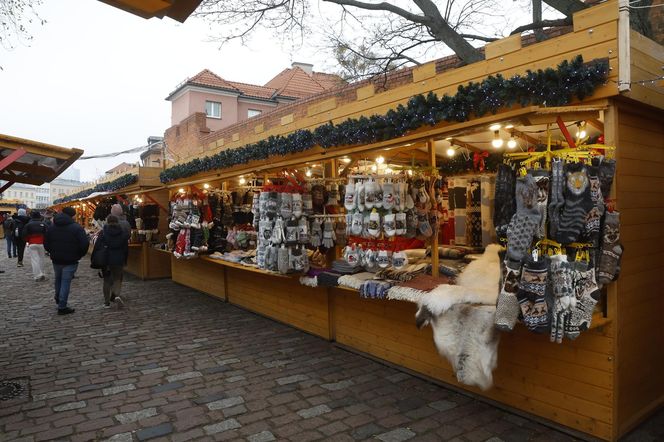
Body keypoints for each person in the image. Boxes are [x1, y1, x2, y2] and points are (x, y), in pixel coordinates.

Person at [44, 207, 90, 315]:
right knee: (65, 282)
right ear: (73, 215)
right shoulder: (77, 228)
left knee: (58, 279)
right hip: (71, 259)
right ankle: (62, 306)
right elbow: (84, 244)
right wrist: (80, 254)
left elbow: (46, 243)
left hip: (56, 258)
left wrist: (52, 251)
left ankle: (58, 296)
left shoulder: (52, 227)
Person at [92, 215, 129, 309]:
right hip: (118, 258)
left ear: (107, 222)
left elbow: (98, 246)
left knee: (107, 280)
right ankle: (116, 295)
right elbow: (125, 248)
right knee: (117, 279)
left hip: (106, 259)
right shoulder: (123, 232)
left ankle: (106, 302)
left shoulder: (103, 232)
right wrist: (125, 259)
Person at [23, 210, 48, 281]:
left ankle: (37, 275)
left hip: (32, 243)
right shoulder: (43, 224)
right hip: (41, 243)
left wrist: (28, 240)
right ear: (39, 216)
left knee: (34, 260)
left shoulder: (28, 225)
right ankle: (42, 273)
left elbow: (24, 235)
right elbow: (48, 234)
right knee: (41, 259)